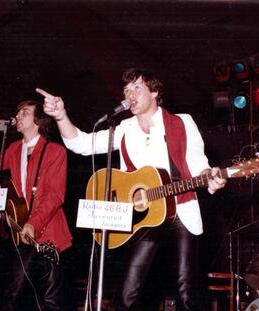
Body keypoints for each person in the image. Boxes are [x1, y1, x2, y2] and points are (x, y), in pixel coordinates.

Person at [38, 68, 226, 311]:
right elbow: (82, 144)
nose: (130, 94)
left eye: (137, 87)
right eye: (126, 90)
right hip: (144, 217)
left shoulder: (182, 122)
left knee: (186, 293)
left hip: (181, 212)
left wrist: (210, 177)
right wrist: (61, 116)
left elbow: (199, 165)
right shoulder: (125, 127)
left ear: (155, 91)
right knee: (127, 293)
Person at [0, 100, 72, 311]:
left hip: (49, 237)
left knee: (54, 302)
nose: (18, 115)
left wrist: (33, 224)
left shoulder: (55, 152)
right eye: (17, 111)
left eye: (24, 112)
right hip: (22, 236)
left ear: (38, 121)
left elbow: (54, 197)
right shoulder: (14, 149)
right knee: (15, 294)